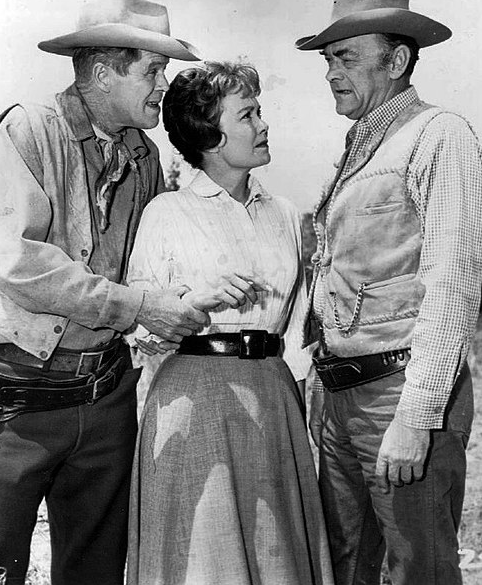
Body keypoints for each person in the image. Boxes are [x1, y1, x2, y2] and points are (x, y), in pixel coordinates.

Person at [0, 0, 209, 585]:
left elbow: (151, 268)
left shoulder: (146, 156)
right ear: (104, 71)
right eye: (153, 70)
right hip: (18, 398)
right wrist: (136, 307)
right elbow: (18, 264)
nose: (164, 83)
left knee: (96, 573)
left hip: (107, 399)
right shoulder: (28, 130)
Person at [295, 0, 482, 584]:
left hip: (398, 398)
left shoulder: (441, 135)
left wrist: (418, 415)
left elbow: (452, 287)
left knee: (417, 570)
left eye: (347, 57)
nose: (331, 72)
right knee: (346, 567)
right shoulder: (360, 145)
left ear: (397, 60)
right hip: (339, 397)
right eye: (328, 59)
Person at [125, 62, 334, 585]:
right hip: (194, 400)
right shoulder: (166, 213)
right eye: (248, 115)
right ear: (211, 136)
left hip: (273, 397)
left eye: (259, 111)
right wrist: (196, 301)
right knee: (202, 557)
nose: (264, 124)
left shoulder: (283, 212)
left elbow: (298, 325)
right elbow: (140, 332)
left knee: (275, 552)